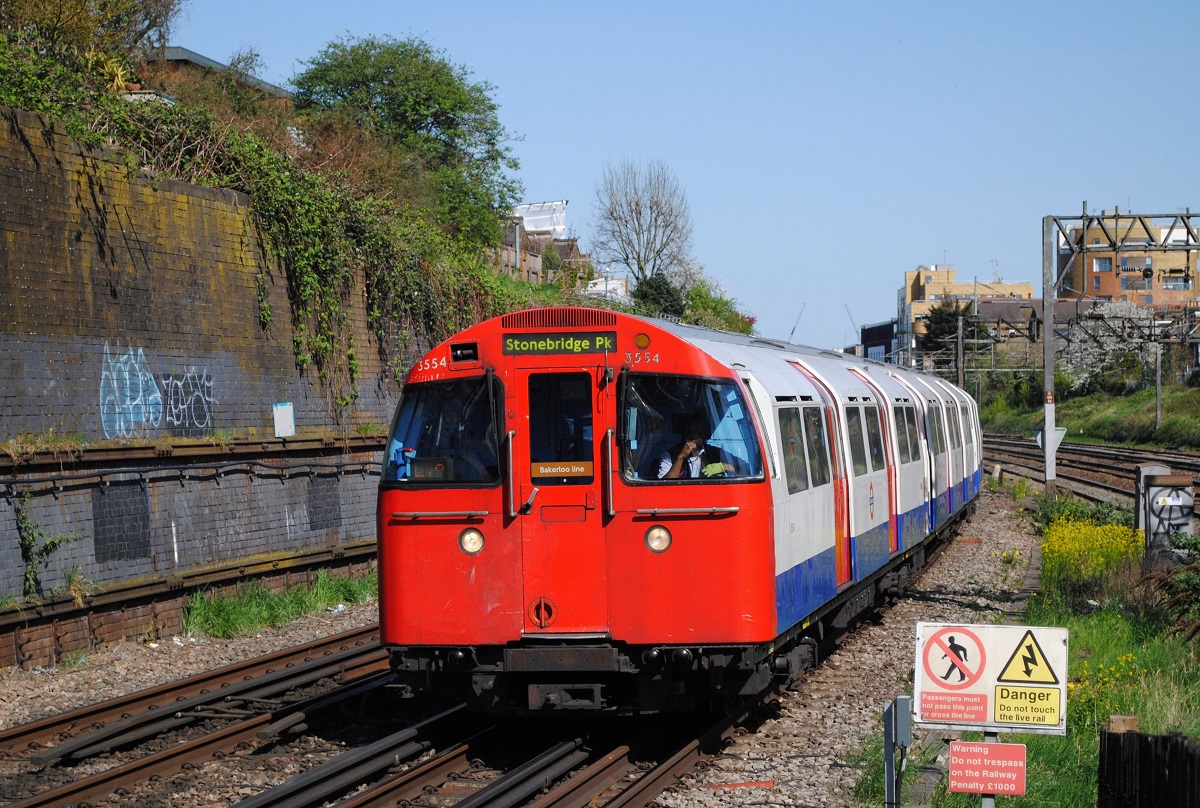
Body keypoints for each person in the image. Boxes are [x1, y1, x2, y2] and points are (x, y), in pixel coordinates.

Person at [657, 414, 737, 479]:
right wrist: (681, 457)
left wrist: (723, 466)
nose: (691, 436)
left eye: (695, 432)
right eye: (688, 432)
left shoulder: (715, 453)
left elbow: (744, 469)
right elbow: (664, 486)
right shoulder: (669, 456)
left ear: (703, 435)